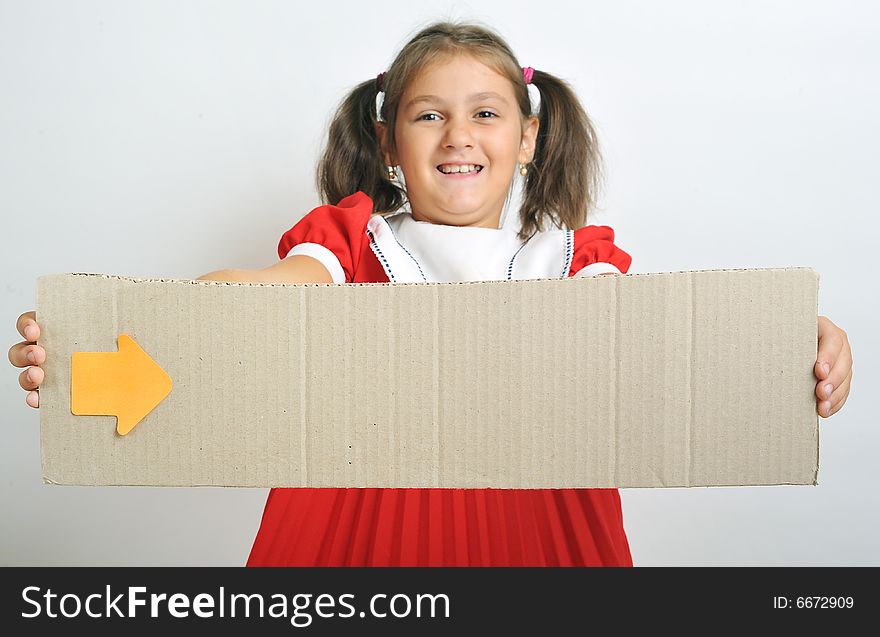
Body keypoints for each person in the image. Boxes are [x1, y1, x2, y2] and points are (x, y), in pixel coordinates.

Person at [8, 21, 853, 566]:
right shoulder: (349, 246)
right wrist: (107, 337)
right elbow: (239, 306)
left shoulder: (576, 261)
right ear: (387, 144)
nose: (459, 136)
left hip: (548, 535)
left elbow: (677, 347)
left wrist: (789, 342)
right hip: (354, 538)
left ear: (527, 139)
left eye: (486, 113)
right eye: (428, 116)